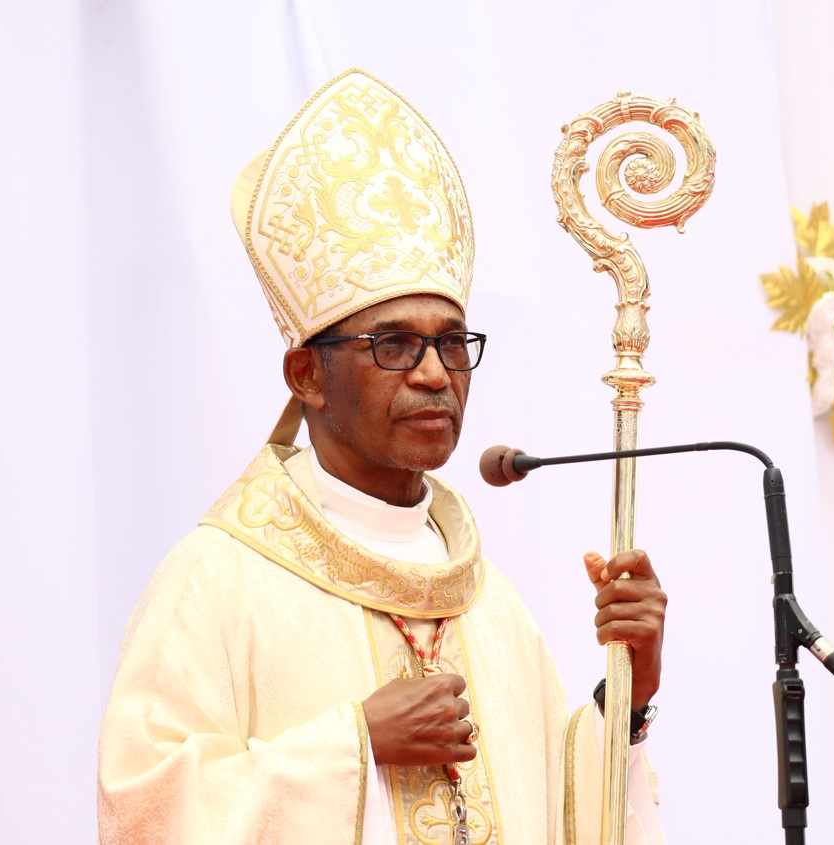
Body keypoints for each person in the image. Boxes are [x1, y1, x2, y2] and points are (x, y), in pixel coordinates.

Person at [97, 68, 668, 844]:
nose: (435, 371)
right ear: (307, 375)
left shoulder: (491, 605)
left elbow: (561, 814)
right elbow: (145, 814)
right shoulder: (217, 581)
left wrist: (628, 695)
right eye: (393, 343)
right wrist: (355, 746)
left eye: (451, 341)